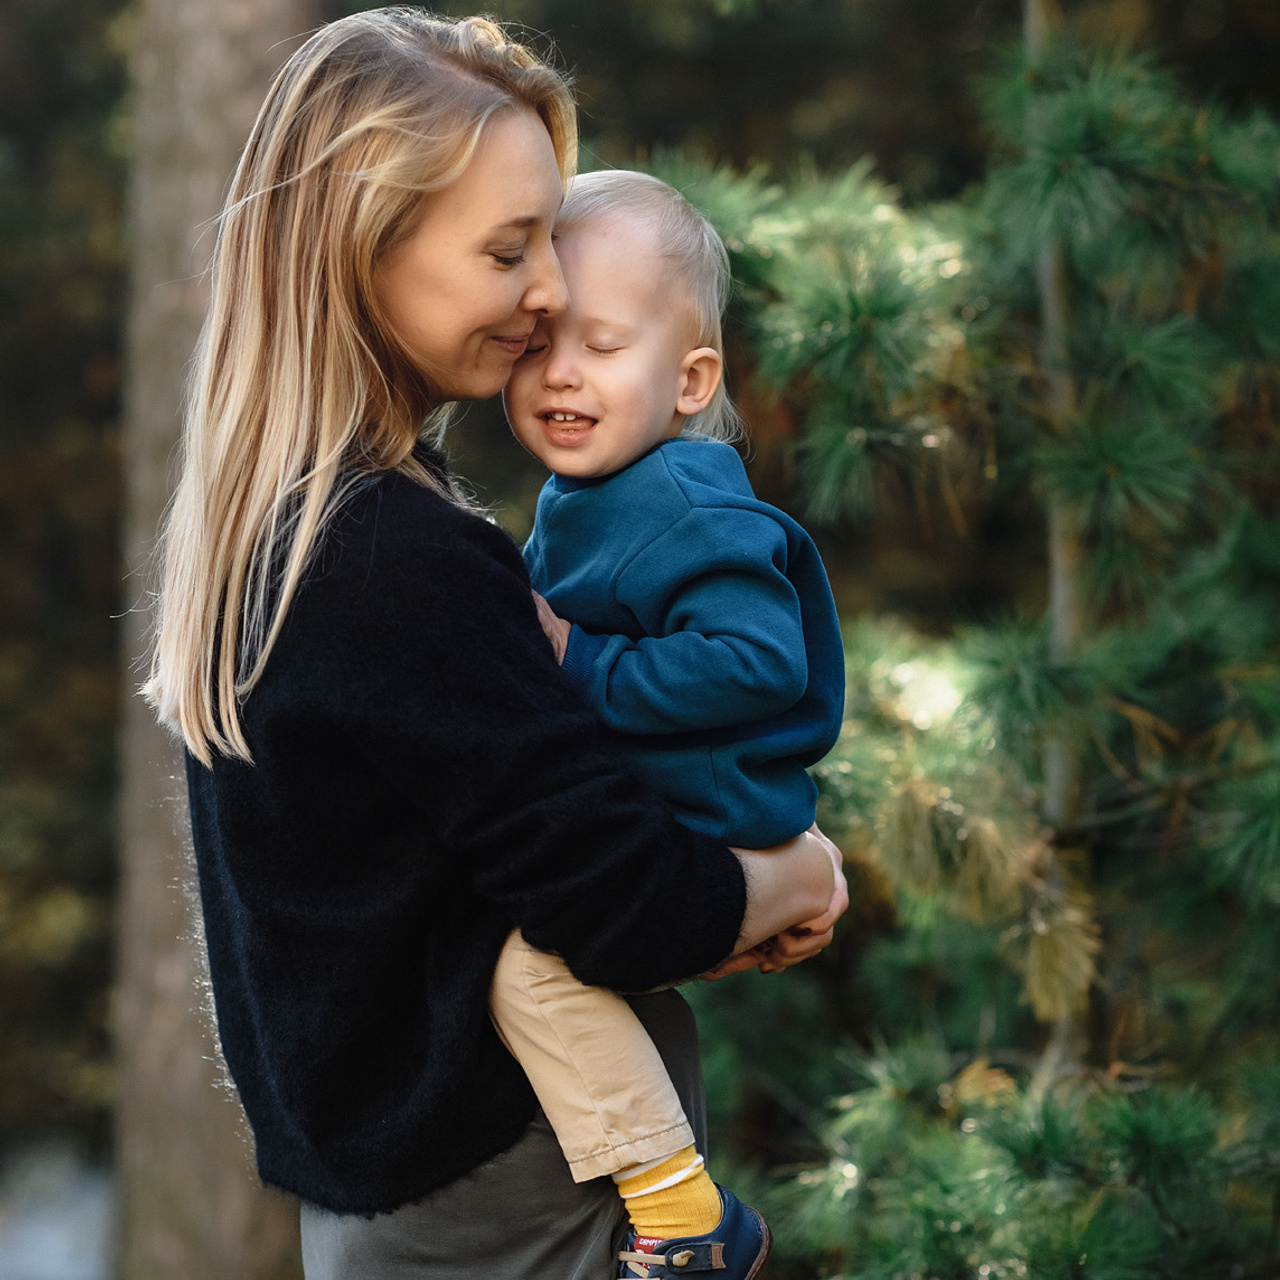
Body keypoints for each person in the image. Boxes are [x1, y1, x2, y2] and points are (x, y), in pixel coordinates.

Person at [143, 10, 846, 1280]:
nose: (548, 292)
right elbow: (615, 901)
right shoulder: (390, 556)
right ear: (365, 248)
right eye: (508, 249)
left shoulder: (285, 524)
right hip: (504, 1193)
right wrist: (793, 876)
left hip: (394, 1186)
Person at [495, 169, 846, 1280]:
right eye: (538, 342)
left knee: (524, 965)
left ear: (690, 380)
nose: (561, 371)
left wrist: (581, 663)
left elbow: (760, 658)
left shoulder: (687, 501)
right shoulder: (590, 489)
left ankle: (684, 1209)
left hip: (706, 807)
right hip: (663, 801)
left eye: (601, 345)